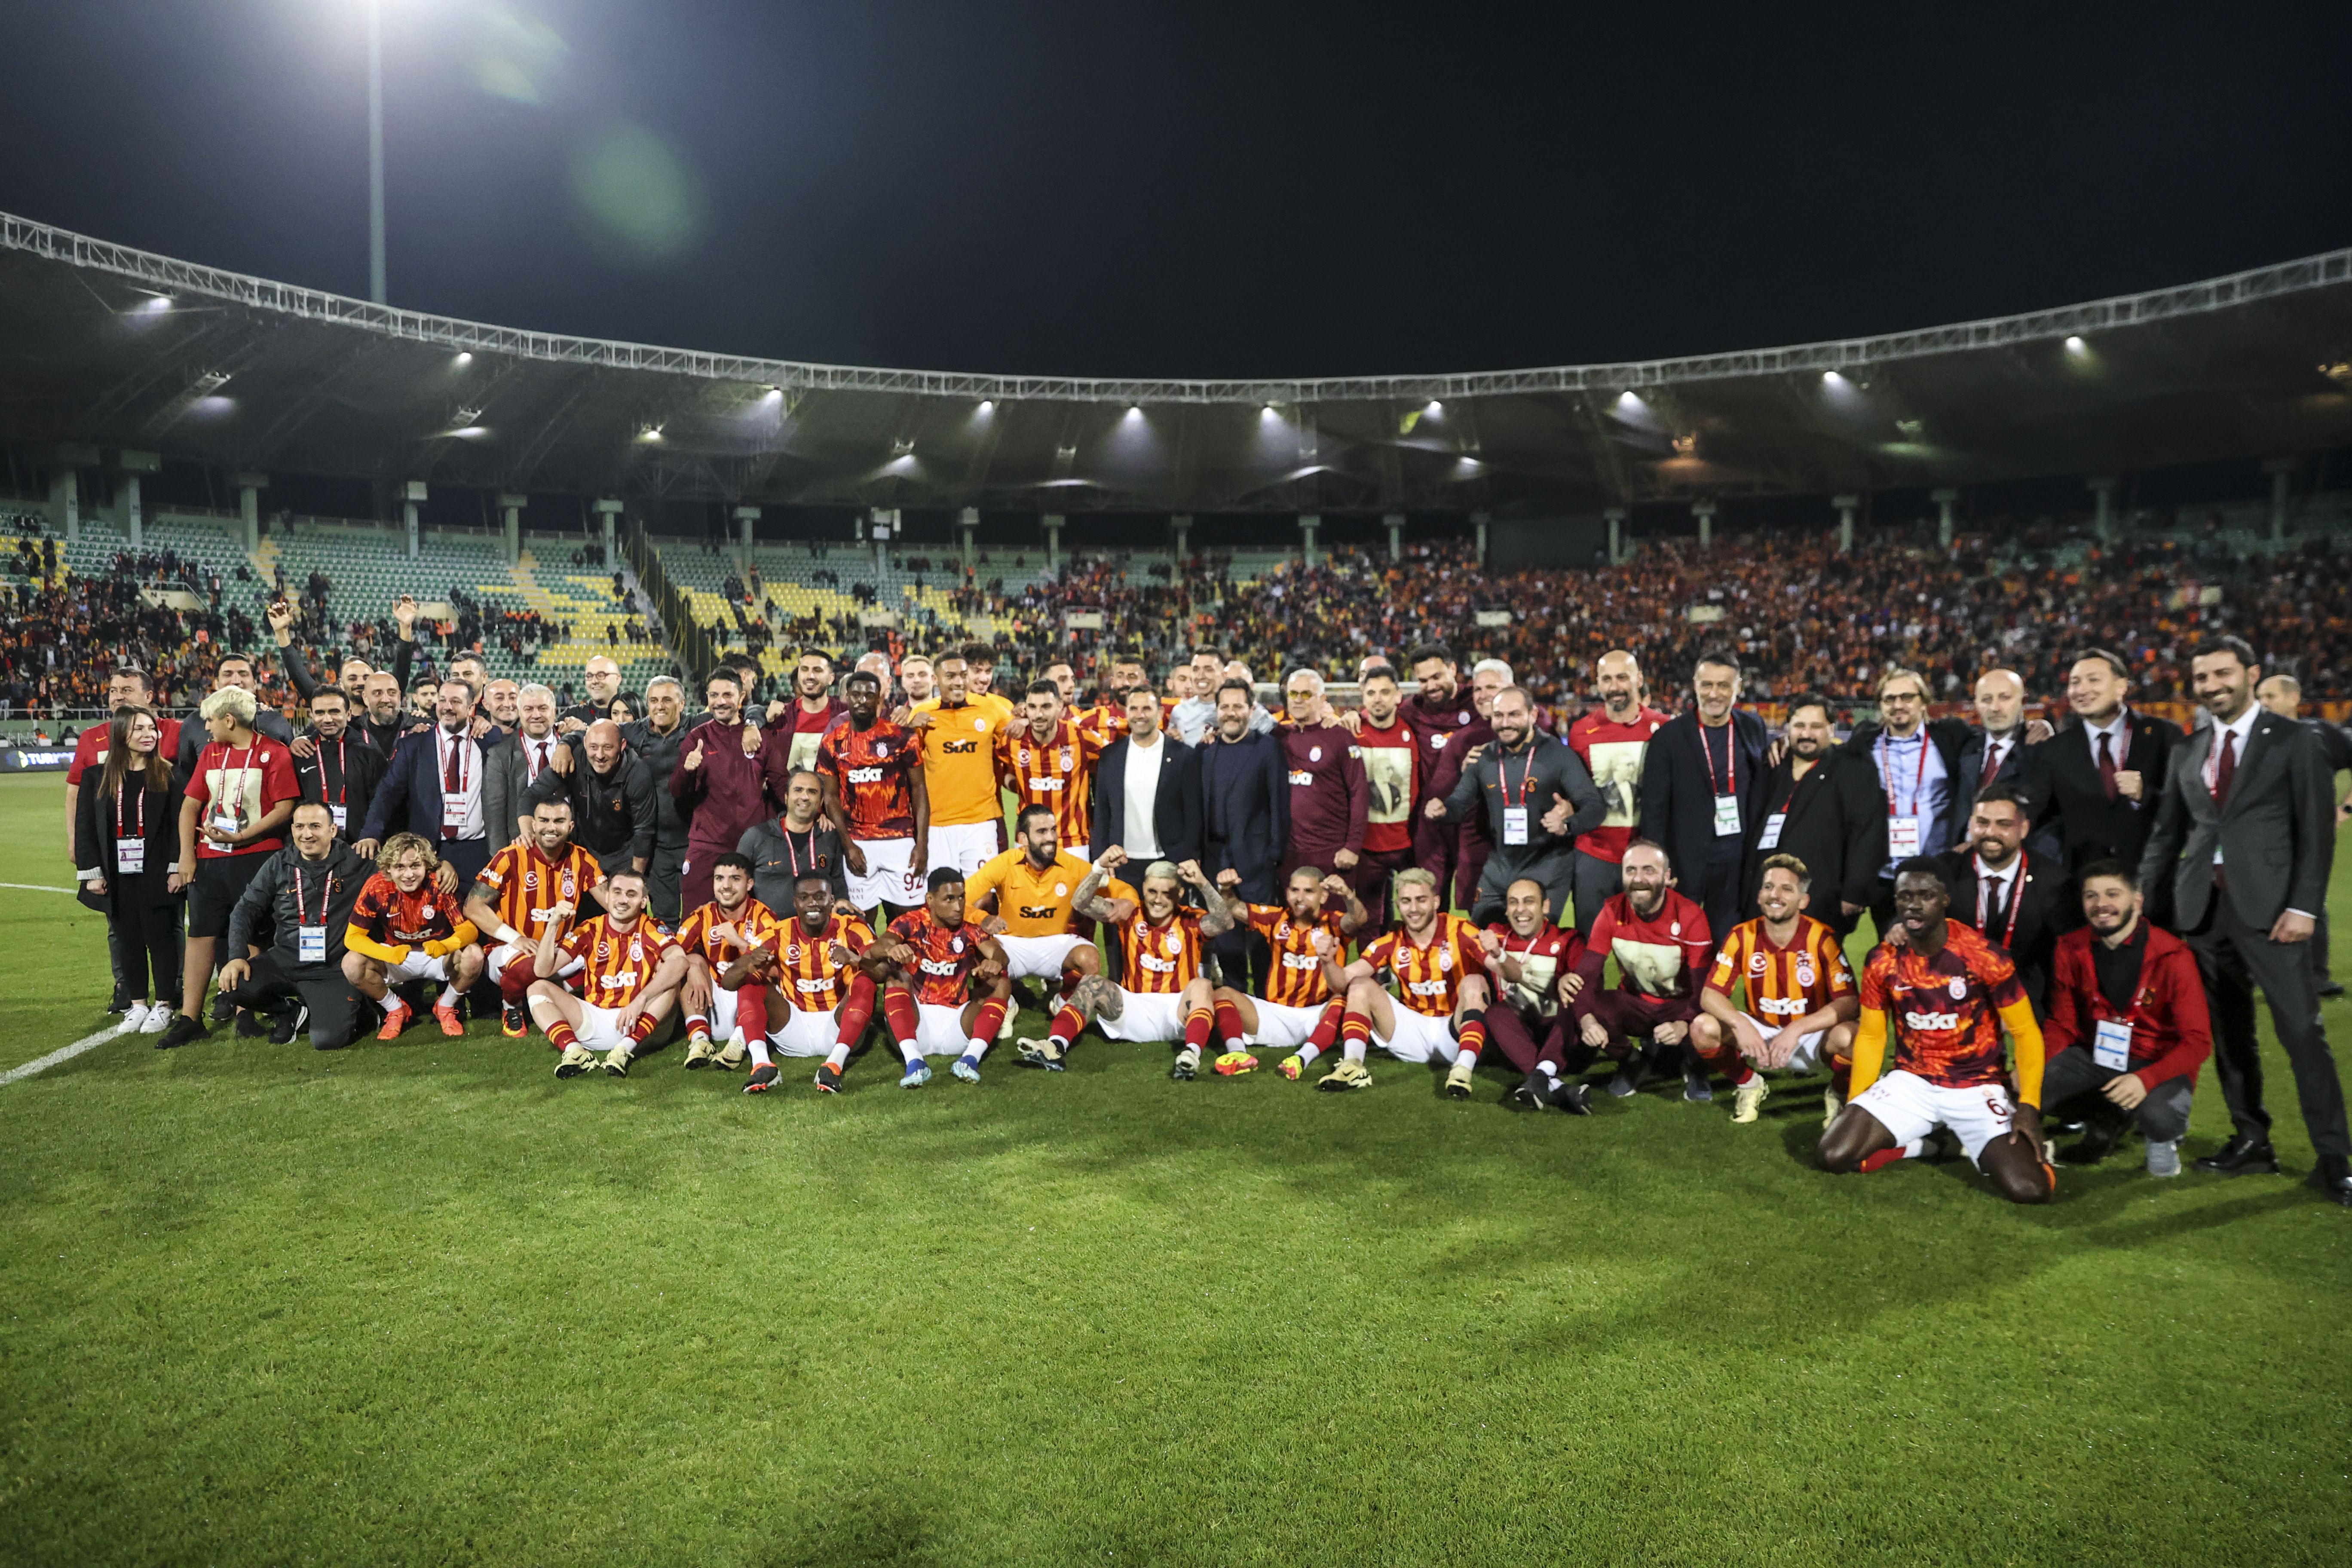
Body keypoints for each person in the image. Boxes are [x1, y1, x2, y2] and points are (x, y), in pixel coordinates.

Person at [2141, 636, 2346, 1204]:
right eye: (2202, 677)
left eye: (2222, 674)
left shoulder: (2295, 740)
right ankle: (2252, 1139)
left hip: (2274, 911)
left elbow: (2316, 830)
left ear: (2252, 674)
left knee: (2302, 1034)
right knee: (2230, 1036)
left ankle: (2335, 1157)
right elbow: (2168, 833)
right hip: (2205, 911)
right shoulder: (2191, 747)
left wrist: (2304, 907)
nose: (2211, 686)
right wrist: (2144, 898)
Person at [1819, 858, 2053, 1205]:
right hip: (1912, 1082)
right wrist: (1858, 1102)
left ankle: (1980, 1142)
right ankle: (1934, 1144)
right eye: (1905, 896)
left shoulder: (1984, 956)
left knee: (2031, 1190)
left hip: (1977, 1086)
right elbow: (1871, 1036)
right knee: (1834, 1155)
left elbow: (2025, 1032)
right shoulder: (1882, 960)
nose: (1914, 905)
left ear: (1945, 899)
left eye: (1925, 895)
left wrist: (2029, 1106)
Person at [2038, 860, 2211, 1178]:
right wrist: (2033, 1067)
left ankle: (2162, 1139)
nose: (2101, 904)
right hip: (2098, 1056)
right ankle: (2109, 1116)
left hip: (2157, 1060)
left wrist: (2146, 1079)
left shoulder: (2174, 956)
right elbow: (2062, 1024)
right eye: (2091, 896)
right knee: (2030, 1084)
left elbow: (2198, 1042)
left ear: (2137, 901)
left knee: (2160, 1115)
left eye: (2113, 894)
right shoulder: (2070, 947)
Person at [160, 685, 301, 1050]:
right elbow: (190, 806)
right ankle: (190, 1019)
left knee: (255, 936)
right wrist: (187, 855)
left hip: (257, 858)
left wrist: (242, 837)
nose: (206, 727)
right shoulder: (211, 753)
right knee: (201, 934)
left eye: (210, 720)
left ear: (229, 720)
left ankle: (247, 1012)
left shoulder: (274, 753)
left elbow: (285, 809)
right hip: (210, 859)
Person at [1692, 853, 1860, 1126]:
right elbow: (1710, 995)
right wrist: (1739, 1024)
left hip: (1810, 1037)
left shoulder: (1822, 938)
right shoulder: (1741, 936)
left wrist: (1797, 1029)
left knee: (1854, 1037)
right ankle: (1749, 1084)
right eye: (1769, 887)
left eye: (1786, 889)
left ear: (1803, 901)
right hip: (1762, 1034)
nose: (1775, 895)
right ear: (1759, 896)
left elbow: (1849, 1002)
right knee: (1703, 1028)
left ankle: (1839, 1092)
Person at [1044, 851, 1235, 1079]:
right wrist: (1098, 868)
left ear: (1180, 894)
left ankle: (1190, 1054)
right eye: (1153, 891)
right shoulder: (1129, 914)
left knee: (1203, 985)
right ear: (1143, 888)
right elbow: (1080, 903)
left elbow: (1226, 923)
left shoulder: (1191, 920)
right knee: (1091, 983)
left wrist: (1203, 882)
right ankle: (1054, 1046)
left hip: (1177, 1014)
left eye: (1167, 894)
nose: (1158, 900)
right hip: (1132, 1011)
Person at [1427, 686, 1602, 925]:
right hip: (1500, 866)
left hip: (1547, 865)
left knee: (1533, 941)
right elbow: (1459, 803)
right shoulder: (1484, 757)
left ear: (1532, 715)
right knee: (1485, 935)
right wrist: (1443, 810)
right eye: (1499, 716)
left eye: (1514, 715)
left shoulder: (1559, 756)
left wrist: (1568, 825)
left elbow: (1594, 806)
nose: (1505, 723)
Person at [1314, 867, 1491, 1093]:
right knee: (1360, 985)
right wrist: (1328, 962)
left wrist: (1502, 957)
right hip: (1411, 1032)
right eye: (1406, 901)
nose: (1414, 908)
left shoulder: (1461, 930)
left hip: (1455, 1030)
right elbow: (1341, 983)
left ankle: (1462, 1071)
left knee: (1475, 982)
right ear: (1398, 905)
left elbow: (1500, 971)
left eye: (1421, 900)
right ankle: (1352, 1066)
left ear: (1436, 902)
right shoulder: (1391, 942)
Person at [215, 801, 371, 1052]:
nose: (306, 834)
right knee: (234, 985)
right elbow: (245, 909)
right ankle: (290, 1011)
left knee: (327, 1041)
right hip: (285, 961)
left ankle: (363, 1009)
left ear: (333, 830)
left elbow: (401, 868)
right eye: (300, 827)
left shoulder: (357, 861)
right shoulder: (279, 862)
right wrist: (236, 956)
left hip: (332, 969)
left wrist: (438, 866)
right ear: (292, 829)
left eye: (315, 826)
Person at [1568, 840, 1714, 1100]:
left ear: (1667, 877)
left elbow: (1705, 987)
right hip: (1636, 1005)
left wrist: (1684, 1023)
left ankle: (1695, 1065)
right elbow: (1587, 975)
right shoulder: (1612, 911)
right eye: (1631, 870)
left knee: (1710, 1021)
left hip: (1680, 1007)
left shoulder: (1691, 915)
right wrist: (1586, 1019)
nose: (1638, 879)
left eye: (1649, 870)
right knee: (1591, 1006)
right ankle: (1632, 1061)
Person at [711, 870, 880, 1094]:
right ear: (795, 903)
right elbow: (729, 982)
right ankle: (762, 1065)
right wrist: (749, 962)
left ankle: (834, 1065)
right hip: (794, 1028)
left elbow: (882, 973)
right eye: (804, 898)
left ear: (832, 900)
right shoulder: (779, 932)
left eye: (820, 897)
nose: (813, 903)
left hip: (840, 1026)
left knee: (865, 980)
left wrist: (855, 960)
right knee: (751, 981)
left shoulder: (852, 927)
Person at [1640, 652, 1770, 942]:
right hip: (1685, 861)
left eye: (1723, 685)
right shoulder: (1669, 737)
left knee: (1728, 940)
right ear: (1695, 685)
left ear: (1738, 687)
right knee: (1680, 942)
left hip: (1737, 860)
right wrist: (1659, 864)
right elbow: (1654, 809)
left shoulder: (1753, 727)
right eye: (1707, 684)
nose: (1714, 694)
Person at [73, 704, 182, 1035]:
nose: (149, 735)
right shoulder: (97, 776)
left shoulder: (170, 774)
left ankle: (164, 1004)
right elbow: (85, 826)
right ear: (121, 734)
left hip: (158, 871)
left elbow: (179, 827)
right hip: (116, 874)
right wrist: (92, 873)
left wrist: (176, 868)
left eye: (152, 728)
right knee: (127, 940)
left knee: (161, 938)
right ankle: (138, 1005)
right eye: (139, 729)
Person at [970, 805, 1132, 1025]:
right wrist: (982, 918)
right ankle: (1006, 1000)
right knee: (978, 947)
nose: (1051, 838)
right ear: (1023, 839)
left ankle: (1063, 1000)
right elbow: (964, 898)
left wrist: (1129, 900)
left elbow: (1120, 888)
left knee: (1089, 958)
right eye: (1042, 832)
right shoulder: (1005, 863)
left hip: (1055, 945)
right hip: (1012, 944)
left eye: (1053, 830)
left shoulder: (1070, 865)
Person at [1202, 864, 1366, 1080]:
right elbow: (1234, 907)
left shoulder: (1334, 923)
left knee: (1342, 1001)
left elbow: (1359, 919)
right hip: (1275, 1014)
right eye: (1294, 890)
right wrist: (1225, 889)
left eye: (1309, 891)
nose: (1300, 898)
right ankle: (1238, 1054)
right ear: (1287, 892)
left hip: (1316, 1015)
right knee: (1223, 993)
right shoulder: (1277, 919)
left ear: (1324, 896)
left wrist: (1347, 895)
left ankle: (1302, 1058)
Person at [1841, 665, 1968, 936]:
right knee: (1891, 951)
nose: (1898, 705)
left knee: (1942, 951)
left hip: (1939, 874)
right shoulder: (1863, 745)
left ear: (1924, 702)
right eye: (1889, 699)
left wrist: (2037, 727)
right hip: (1885, 877)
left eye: (1907, 697)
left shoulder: (1951, 739)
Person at [1742, 694, 1883, 938]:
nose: (1806, 734)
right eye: (1799, 726)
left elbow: (1866, 833)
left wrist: (1855, 891)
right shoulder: (1773, 767)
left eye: (1816, 726)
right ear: (1788, 729)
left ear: (1832, 729)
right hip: (1766, 896)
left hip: (1822, 898)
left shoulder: (1851, 769)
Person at [466, 797, 608, 1038]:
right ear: (533, 825)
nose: (551, 827)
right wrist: (516, 938)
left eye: (559, 821)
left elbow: (612, 904)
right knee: (531, 965)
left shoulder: (582, 859)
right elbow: (472, 907)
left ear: (571, 827)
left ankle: (566, 998)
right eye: (544, 820)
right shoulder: (511, 856)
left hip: (558, 949)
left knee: (609, 951)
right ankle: (512, 1007)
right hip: (510, 949)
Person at [2040, 649, 2181, 884]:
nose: (2082, 690)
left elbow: (2186, 805)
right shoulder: (2054, 750)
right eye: (2075, 683)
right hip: (2084, 884)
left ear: (2121, 686)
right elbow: (2044, 818)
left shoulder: (2163, 735)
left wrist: (2144, 796)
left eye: (2094, 680)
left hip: (2155, 879)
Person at [529, 870, 687, 1079]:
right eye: (617, 892)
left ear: (643, 902)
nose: (622, 900)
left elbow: (680, 961)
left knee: (671, 982)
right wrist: (553, 924)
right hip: (595, 1017)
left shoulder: (652, 928)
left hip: (639, 1020)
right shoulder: (590, 928)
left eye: (631, 894)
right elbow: (542, 970)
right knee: (537, 988)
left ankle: (624, 1051)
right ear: (607, 897)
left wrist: (641, 999)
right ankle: (575, 1052)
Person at [864, 867, 1013, 1086]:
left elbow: (999, 954)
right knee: (897, 977)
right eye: (949, 899)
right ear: (930, 900)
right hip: (915, 1024)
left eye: (962, 898)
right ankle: (914, 1062)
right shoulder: (911, 923)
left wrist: (995, 962)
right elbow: (879, 947)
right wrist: (891, 949)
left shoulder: (970, 930)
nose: (958, 907)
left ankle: (970, 1060)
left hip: (957, 1025)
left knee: (1002, 983)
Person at [1931, 782, 2071, 1013]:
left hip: (2027, 1001)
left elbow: (2065, 959)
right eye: (1982, 823)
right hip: (1954, 998)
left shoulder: (2053, 882)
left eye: (2003, 824)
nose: (1991, 833)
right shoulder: (1944, 872)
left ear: (2024, 829)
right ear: (1971, 824)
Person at [355, 675, 506, 889]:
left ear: (471, 707)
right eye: (442, 700)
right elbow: (388, 792)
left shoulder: (490, 740)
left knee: (474, 908)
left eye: (456, 701)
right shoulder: (413, 745)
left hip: (478, 850)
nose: (447, 707)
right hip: (427, 850)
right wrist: (371, 833)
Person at [2254, 671, 2352, 998]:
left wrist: (2345, 809)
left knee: (2310, 900)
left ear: (2294, 698)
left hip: (2308, 834)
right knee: (2256, 899)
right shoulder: (2252, 735)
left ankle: (2315, 976)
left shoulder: (2320, 733)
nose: (2263, 703)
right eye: (2260, 697)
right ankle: (2262, 971)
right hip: (2261, 834)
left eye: (2270, 696)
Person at [670, 668, 792, 914]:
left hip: (753, 846)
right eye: (714, 695)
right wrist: (687, 770)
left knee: (760, 919)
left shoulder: (759, 737)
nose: (720, 702)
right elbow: (678, 792)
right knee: (696, 919)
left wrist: (808, 816)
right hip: (708, 844)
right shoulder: (698, 738)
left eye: (728, 695)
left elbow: (781, 786)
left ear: (742, 696)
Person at [341, 833, 484, 1040]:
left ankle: (445, 1007)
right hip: (397, 956)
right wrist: (387, 954)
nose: (408, 874)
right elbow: (353, 937)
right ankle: (396, 1009)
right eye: (400, 867)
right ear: (388, 869)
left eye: (415, 866)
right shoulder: (377, 886)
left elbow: (469, 929)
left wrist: (446, 946)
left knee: (475, 955)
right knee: (351, 963)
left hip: (438, 955)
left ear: (426, 865)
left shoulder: (439, 883)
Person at [1564, 649, 1666, 935]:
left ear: (1639, 679)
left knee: (1648, 946)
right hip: (1594, 855)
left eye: (1622, 677)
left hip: (1646, 856)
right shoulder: (1581, 732)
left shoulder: (1664, 727)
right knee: (1590, 942)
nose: (1615, 686)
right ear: (1598, 683)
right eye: (1607, 679)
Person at [1197, 676, 1289, 990]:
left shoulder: (1268, 748)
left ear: (1251, 709)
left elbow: (1279, 803)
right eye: (1225, 707)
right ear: (1217, 711)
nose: (1231, 713)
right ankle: (1234, 1000)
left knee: (1260, 939)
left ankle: (1263, 1001)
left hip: (1256, 861)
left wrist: (1274, 855)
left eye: (1238, 706)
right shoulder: (1205, 751)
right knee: (1226, 938)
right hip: (1215, 859)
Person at [817, 669, 929, 915]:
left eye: (869, 695)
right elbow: (831, 797)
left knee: (911, 916)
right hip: (858, 841)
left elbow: (919, 790)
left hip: (899, 839)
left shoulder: (902, 737)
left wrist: (922, 844)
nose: (862, 700)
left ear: (879, 698)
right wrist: (848, 846)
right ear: (847, 697)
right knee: (859, 918)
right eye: (856, 695)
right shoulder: (833, 742)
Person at [1476, 878, 1590, 1112]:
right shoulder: (1495, 936)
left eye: (1529, 902)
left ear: (1545, 906)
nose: (1521, 910)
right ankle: (1556, 1086)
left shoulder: (1569, 939)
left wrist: (1567, 979)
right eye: (1514, 902)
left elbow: (1586, 988)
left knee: (1572, 995)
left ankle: (1542, 1075)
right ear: (1506, 909)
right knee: (1496, 1013)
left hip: (1565, 1042)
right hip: (1519, 1040)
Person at [674, 851, 785, 1070]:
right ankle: (700, 1041)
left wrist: (740, 943)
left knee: (757, 977)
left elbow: (777, 971)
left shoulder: (764, 916)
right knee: (691, 961)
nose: (726, 886)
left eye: (735, 879)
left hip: (751, 1003)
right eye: (720, 879)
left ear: (749, 884)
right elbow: (671, 955)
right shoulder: (703, 915)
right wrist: (693, 967)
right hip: (714, 1001)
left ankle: (738, 1043)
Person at [907, 649, 1012, 877]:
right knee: (942, 892)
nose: (959, 682)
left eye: (963, 675)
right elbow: (903, 762)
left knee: (982, 892)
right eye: (951, 676)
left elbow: (1016, 738)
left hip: (981, 821)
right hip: (938, 823)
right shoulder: (922, 714)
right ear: (936, 680)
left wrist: (1022, 719)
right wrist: (908, 728)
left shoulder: (991, 709)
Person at [1274, 668, 1368, 907]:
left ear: (1323, 699)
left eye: (1306, 694)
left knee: (1333, 922)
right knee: (1292, 922)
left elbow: (1359, 794)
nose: (1298, 699)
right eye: (1293, 693)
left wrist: (1352, 847)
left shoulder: (1340, 737)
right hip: (1289, 853)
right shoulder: (1278, 737)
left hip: (1332, 853)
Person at [1401, 643, 1479, 912]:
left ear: (1453, 669)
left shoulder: (1478, 702)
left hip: (1475, 820)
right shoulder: (1411, 711)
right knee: (1431, 900)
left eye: (1437, 677)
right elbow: (1377, 721)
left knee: (1479, 900)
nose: (1431, 686)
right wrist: (1352, 717)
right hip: (1431, 822)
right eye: (1423, 680)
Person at [1090, 684, 1201, 869]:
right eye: (1134, 709)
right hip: (1121, 862)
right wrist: (1102, 858)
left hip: (1169, 862)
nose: (1140, 715)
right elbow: (1102, 812)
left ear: (1160, 714)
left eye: (1147, 709)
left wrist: (1189, 855)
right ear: (1127, 713)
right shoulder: (1111, 756)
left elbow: (1193, 814)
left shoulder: (1184, 756)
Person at [531, 719, 657, 882]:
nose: (600, 755)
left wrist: (634, 879)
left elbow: (644, 832)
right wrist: (527, 836)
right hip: (585, 855)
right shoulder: (574, 757)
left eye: (608, 748)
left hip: (624, 858)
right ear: (585, 743)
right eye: (594, 747)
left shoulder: (638, 773)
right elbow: (532, 796)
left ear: (622, 745)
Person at [1943, 668, 2048, 851]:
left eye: (2005, 698)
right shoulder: (1967, 747)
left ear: (2023, 701)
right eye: (1986, 700)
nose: (1995, 708)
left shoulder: (2042, 751)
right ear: (1976, 704)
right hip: (1962, 861)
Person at [998, 679, 1100, 863]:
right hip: (1027, 842)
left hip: (1072, 842)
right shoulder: (1013, 740)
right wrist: (1019, 785)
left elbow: (1115, 755)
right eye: (1032, 707)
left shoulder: (1079, 736)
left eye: (1046, 707)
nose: (1038, 714)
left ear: (1060, 707)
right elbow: (998, 769)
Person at [1348, 663, 1418, 930]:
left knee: (1418, 912)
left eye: (1385, 692)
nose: (1378, 699)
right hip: (1367, 847)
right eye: (1371, 693)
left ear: (1398, 696)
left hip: (1407, 843)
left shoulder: (1413, 730)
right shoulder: (1351, 732)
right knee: (1369, 920)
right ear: (1363, 697)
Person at [622, 676, 695, 922]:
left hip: (693, 841)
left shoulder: (698, 727)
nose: (660, 706)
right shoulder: (635, 732)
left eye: (667, 700)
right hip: (657, 846)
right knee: (664, 917)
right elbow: (597, 732)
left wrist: (751, 724)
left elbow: (744, 714)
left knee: (699, 913)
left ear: (682, 703)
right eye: (654, 701)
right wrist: (566, 744)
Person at [170, 652, 294, 787]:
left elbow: (290, 770)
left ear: (255, 683)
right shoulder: (195, 722)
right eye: (228, 674)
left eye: (243, 674)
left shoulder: (275, 721)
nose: (236, 681)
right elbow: (187, 776)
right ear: (216, 683)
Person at [739, 768, 852, 912]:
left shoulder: (829, 836)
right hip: (770, 925)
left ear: (821, 801)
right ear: (786, 797)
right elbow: (737, 881)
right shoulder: (757, 837)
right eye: (798, 790)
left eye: (812, 792)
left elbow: (838, 881)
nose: (805, 797)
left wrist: (842, 903)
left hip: (817, 924)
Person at [290, 686, 385, 839]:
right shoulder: (300, 754)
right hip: (310, 843)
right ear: (311, 715)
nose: (327, 719)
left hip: (357, 845)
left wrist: (371, 837)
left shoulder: (369, 754)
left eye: (335, 712)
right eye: (320, 713)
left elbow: (381, 803)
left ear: (348, 714)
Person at [483, 683, 563, 850]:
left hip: (569, 845)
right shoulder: (501, 754)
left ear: (555, 712)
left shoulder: (572, 748)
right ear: (520, 713)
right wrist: (501, 856)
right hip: (522, 847)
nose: (536, 715)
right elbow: (495, 816)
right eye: (529, 709)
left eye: (543, 708)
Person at [763, 649, 847, 772]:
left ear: (831, 678)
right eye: (804, 669)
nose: (810, 676)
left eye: (817, 670)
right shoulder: (782, 717)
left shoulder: (845, 716)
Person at [561, 654, 624, 727]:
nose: (594, 681)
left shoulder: (631, 714)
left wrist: (585, 730)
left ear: (618, 680)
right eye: (589, 676)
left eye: (601, 676)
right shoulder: (572, 715)